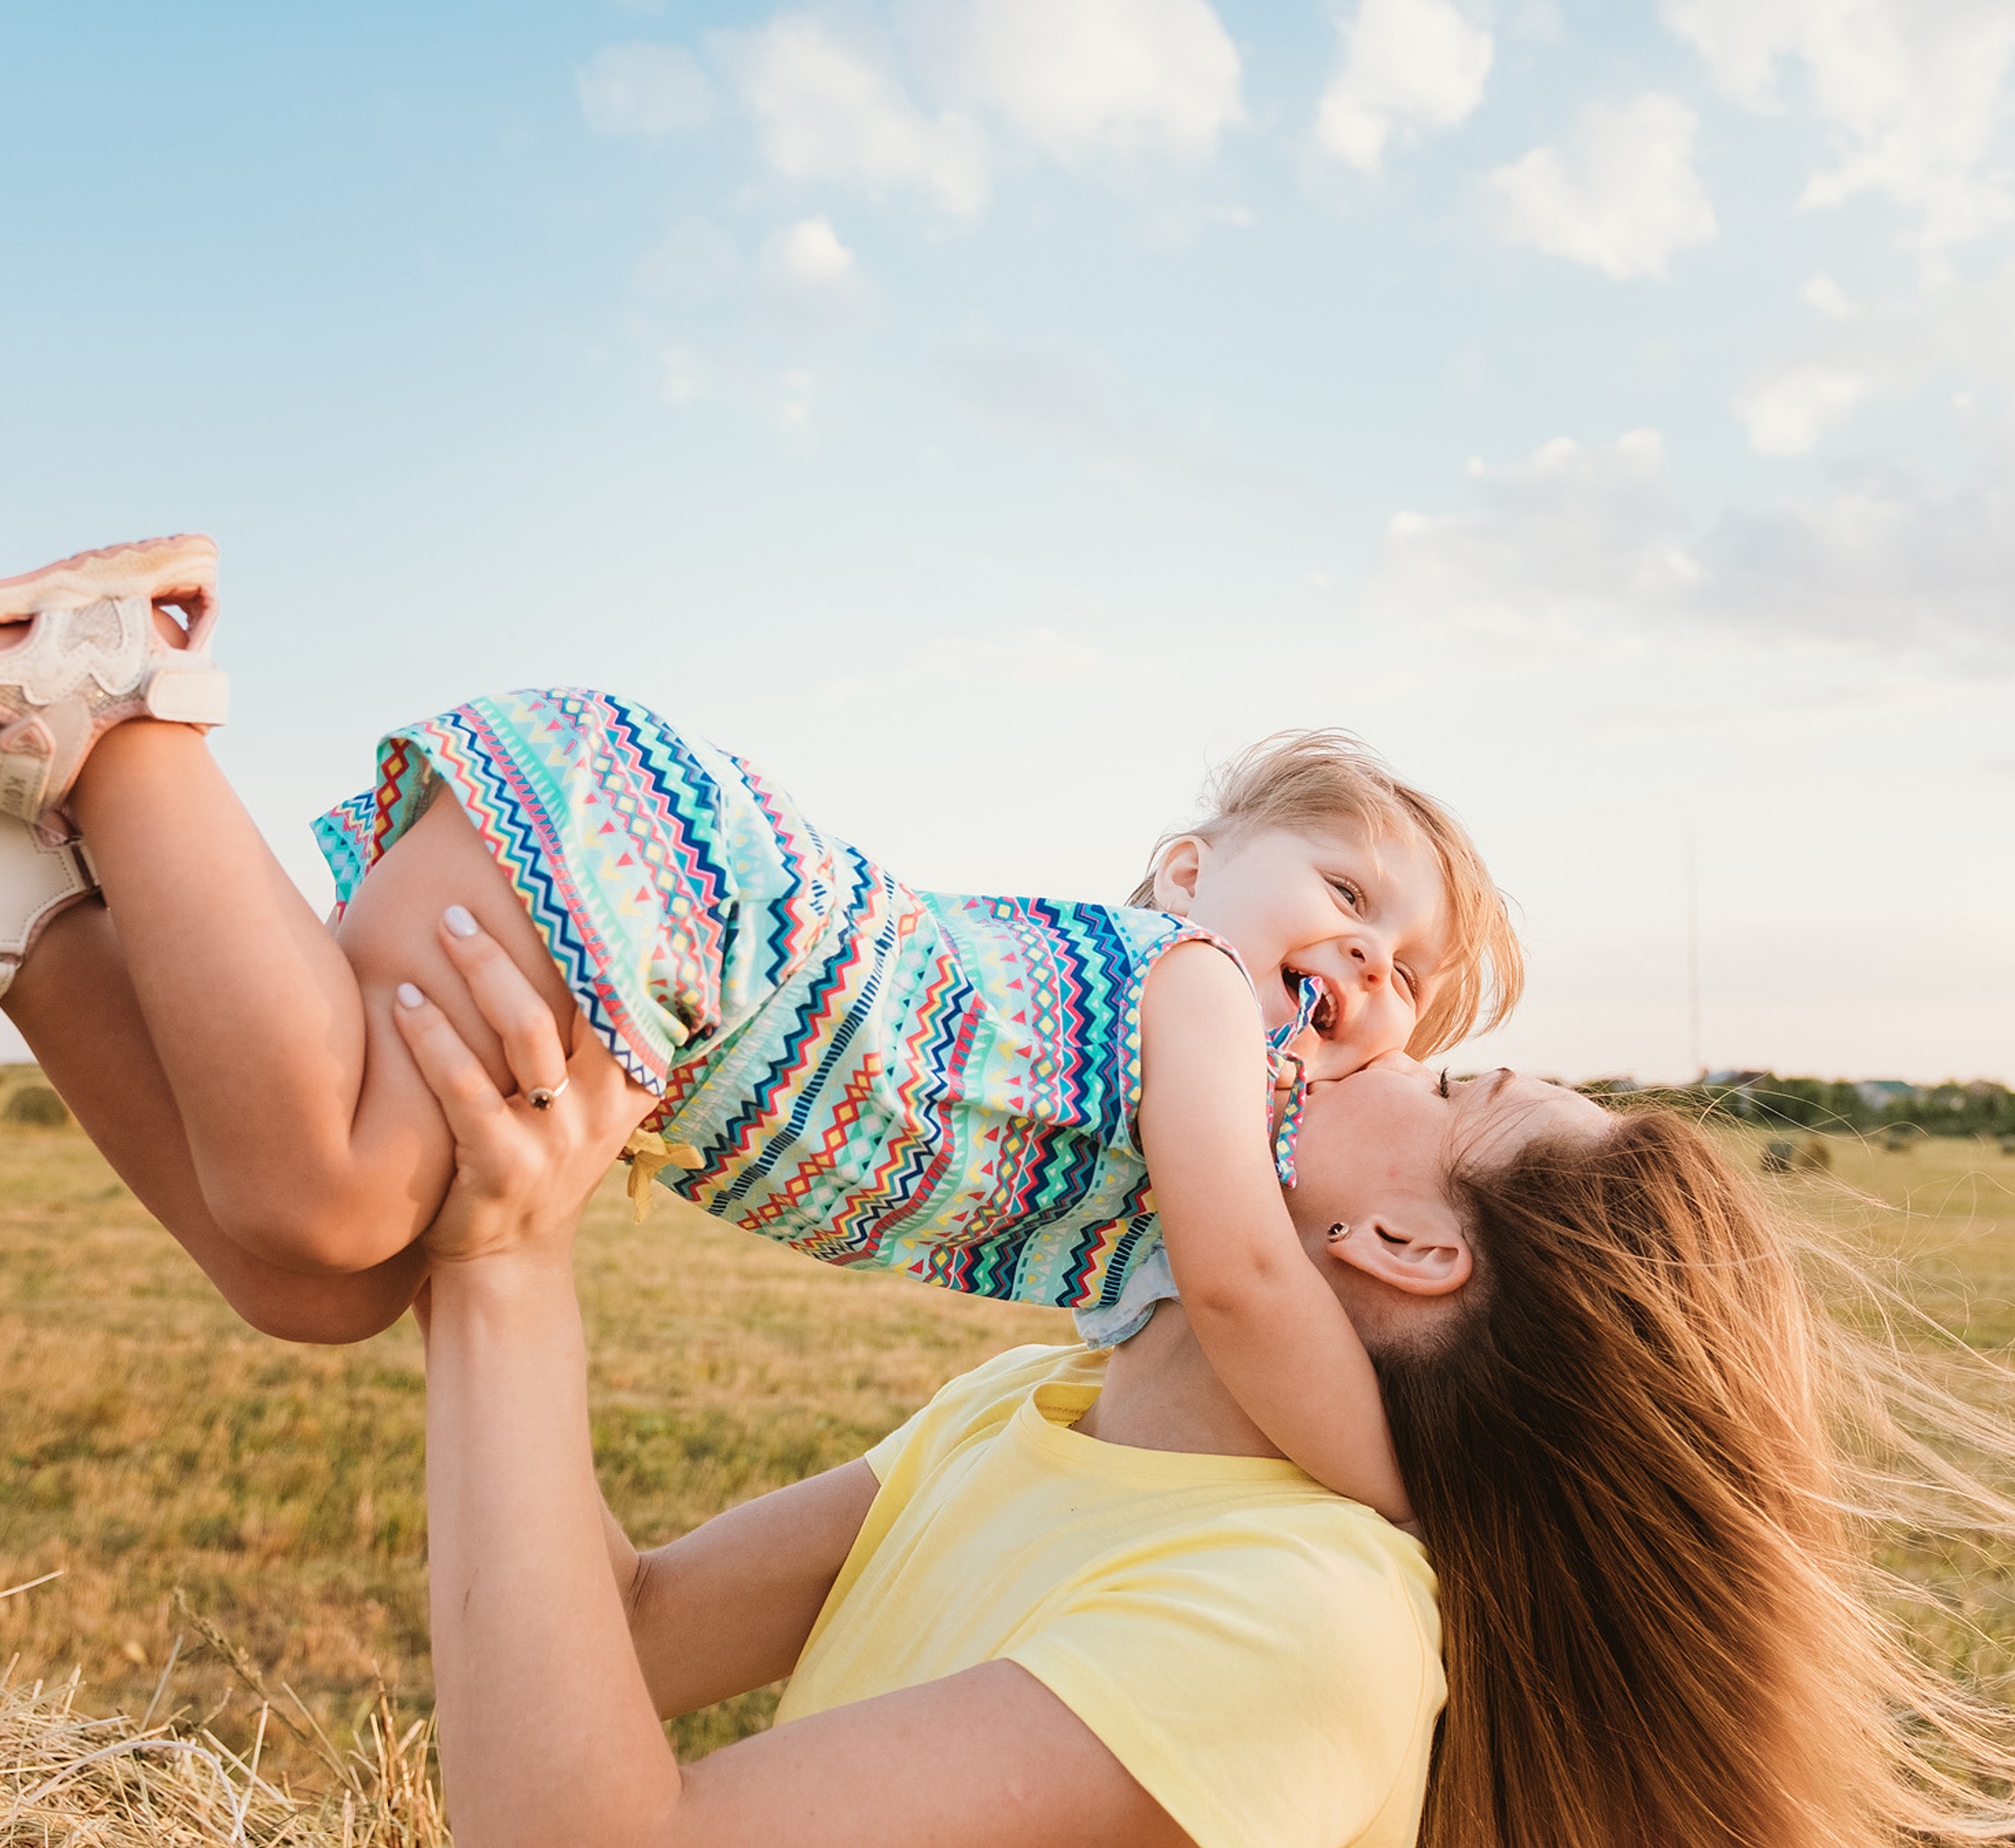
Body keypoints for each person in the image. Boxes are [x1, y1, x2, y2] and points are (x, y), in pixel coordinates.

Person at [403, 911, 2015, 1848]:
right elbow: (624, 1632)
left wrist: (504, 1278)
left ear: (1409, 1244)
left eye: (1449, 1083)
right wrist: (460, 1205)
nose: (1388, 1041)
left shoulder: (1303, 1620)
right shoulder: (1022, 1411)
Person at [0, 531, 1523, 1519]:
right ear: (1190, 876)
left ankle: (35, 914)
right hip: (678, 888)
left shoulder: (1178, 1189)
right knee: (327, 1195)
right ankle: (118, 700)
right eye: (1347, 892)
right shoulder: (1193, 991)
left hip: (659, 959)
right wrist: (1421, 1503)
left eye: (1408, 979)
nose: (1368, 957)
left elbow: (1222, 1352)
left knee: (323, 1290)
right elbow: (1248, 1287)